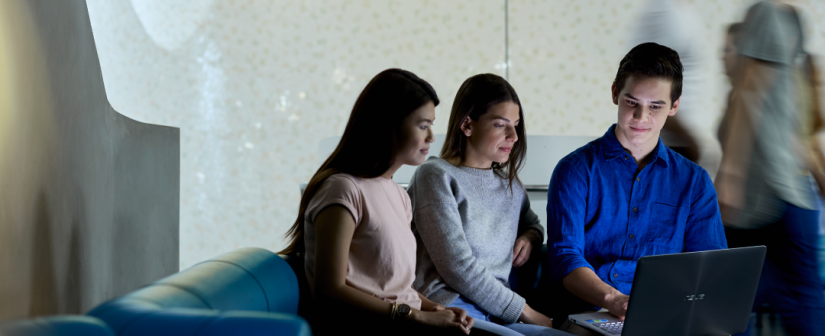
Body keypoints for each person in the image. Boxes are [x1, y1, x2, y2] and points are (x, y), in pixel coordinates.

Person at [543, 43, 727, 334]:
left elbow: (709, 266)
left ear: (675, 106)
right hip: (588, 313)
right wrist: (613, 299)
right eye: (632, 103)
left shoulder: (694, 181)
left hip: (667, 314)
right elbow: (565, 257)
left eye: (655, 106)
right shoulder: (575, 170)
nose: (641, 118)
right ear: (615, 92)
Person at [279, 69, 477, 335]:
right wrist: (417, 317)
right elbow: (330, 290)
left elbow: (396, 287)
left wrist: (434, 309)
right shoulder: (342, 189)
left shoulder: (398, 195)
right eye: (423, 125)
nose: (431, 137)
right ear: (388, 124)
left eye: (431, 124)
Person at [408, 74, 572, 336]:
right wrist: (526, 311)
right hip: (451, 309)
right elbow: (457, 266)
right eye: (500, 125)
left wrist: (531, 236)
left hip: (496, 313)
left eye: (516, 125)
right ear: (467, 124)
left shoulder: (510, 186)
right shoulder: (435, 175)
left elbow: (533, 223)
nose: (514, 136)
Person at [717, 3, 825, 335]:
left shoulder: (769, 13)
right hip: (789, 189)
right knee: (797, 297)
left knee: (734, 296)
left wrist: (731, 173)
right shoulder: (789, 20)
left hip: (765, 190)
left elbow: (752, 93)